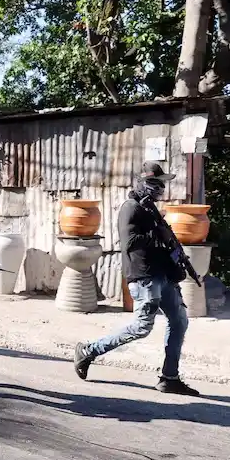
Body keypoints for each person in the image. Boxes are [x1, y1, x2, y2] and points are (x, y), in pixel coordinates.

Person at [73, 161, 199, 396]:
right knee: (141, 327)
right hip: (144, 277)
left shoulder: (150, 208)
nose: (160, 188)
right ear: (142, 183)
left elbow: (164, 239)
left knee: (179, 321)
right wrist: (156, 235)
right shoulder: (131, 208)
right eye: (155, 183)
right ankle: (89, 351)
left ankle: (169, 378)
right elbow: (129, 242)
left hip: (163, 275)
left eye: (161, 183)